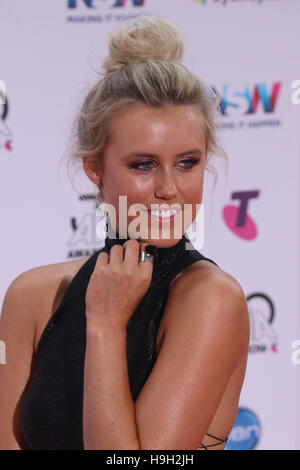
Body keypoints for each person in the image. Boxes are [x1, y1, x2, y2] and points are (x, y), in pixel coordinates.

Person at [0, 15, 250, 450]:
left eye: (187, 162)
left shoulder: (211, 301)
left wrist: (106, 325)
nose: (169, 189)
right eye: (143, 164)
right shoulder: (31, 297)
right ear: (95, 168)